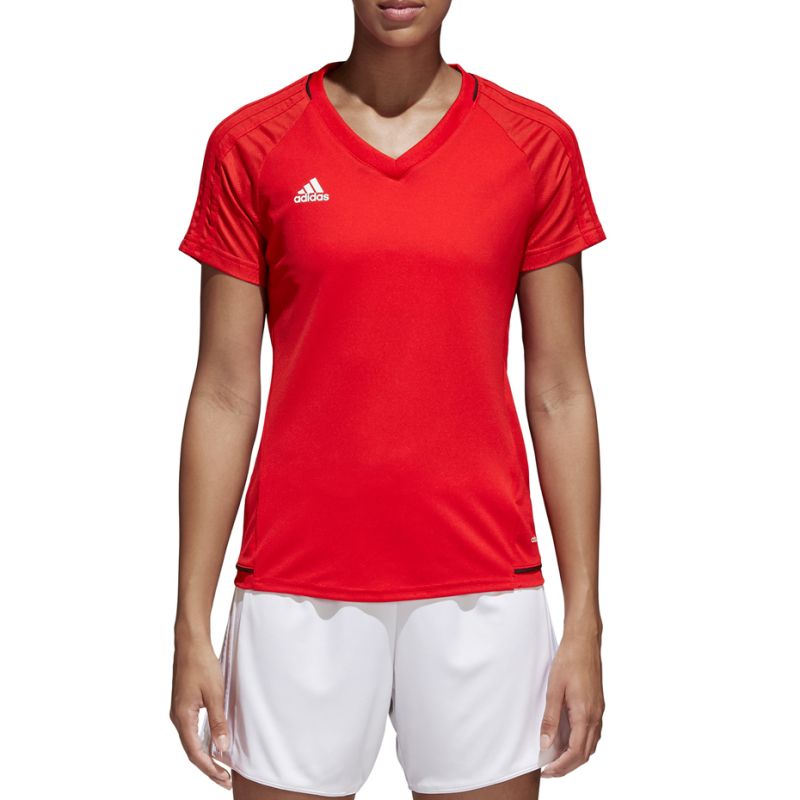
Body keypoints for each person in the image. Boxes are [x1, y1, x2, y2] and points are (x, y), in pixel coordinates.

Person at [170, 1, 607, 798]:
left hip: (485, 583)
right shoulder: (252, 145)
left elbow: (560, 391)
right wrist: (188, 623)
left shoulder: (535, 145)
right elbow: (225, 392)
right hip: (295, 585)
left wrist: (585, 619)